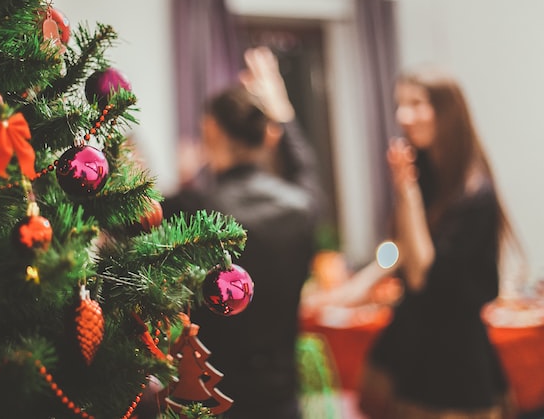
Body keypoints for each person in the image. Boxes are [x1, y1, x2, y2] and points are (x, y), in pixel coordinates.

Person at [330, 66, 519, 419]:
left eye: (416, 104)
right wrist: (358, 285)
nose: (403, 116)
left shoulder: (474, 195)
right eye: (400, 104)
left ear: (447, 112)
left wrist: (407, 190)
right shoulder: (429, 174)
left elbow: (420, 273)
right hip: (414, 342)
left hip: (454, 360)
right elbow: (399, 248)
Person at [163, 47, 325, 419]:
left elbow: (127, 220)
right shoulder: (302, 206)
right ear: (267, 136)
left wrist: (185, 180)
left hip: (212, 395)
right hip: (281, 396)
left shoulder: (192, 207)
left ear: (211, 130)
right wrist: (283, 113)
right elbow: (306, 168)